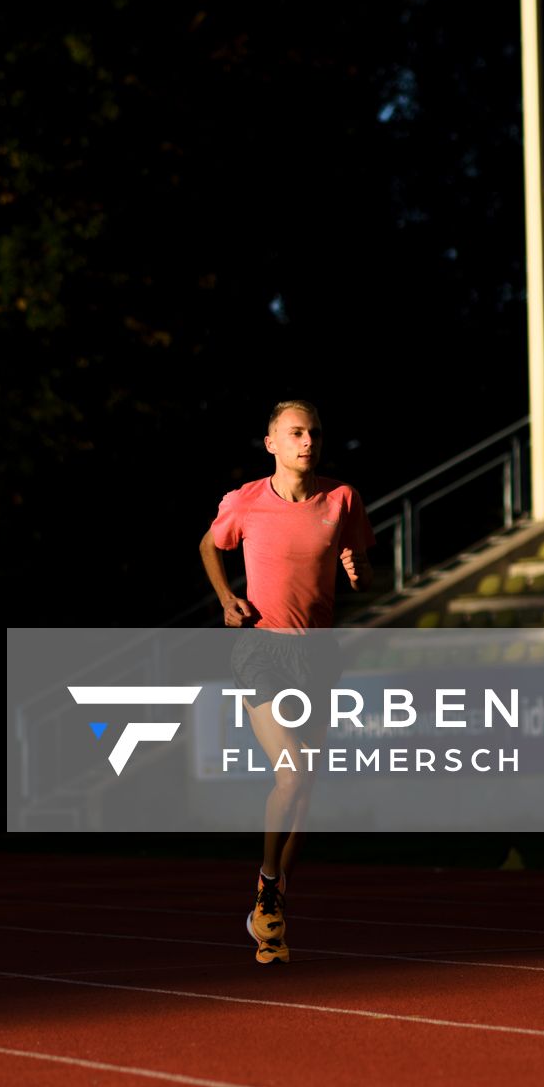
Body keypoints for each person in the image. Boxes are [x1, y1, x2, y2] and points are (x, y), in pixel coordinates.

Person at [199, 400, 375, 966]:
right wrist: (227, 598)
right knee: (291, 772)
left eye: (315, 433)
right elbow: (209, 544)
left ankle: (271, 906)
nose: (308, 441)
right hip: (260, 647)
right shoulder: (245, 501)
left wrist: (357, 569)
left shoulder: (342, 499)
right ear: (271, 442)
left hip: (317, 656)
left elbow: (365, 568)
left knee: (304, 793)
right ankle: (267, 885)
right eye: (296, 432)